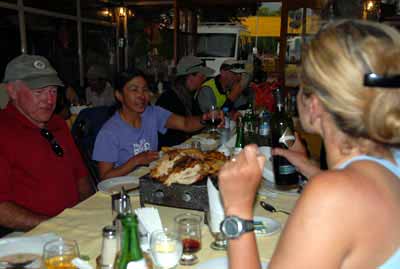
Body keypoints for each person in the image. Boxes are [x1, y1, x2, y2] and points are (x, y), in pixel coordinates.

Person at [218, 20, 400, 269]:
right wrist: (311, 169)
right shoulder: (392, 160)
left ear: (314, 105)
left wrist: (237, 208)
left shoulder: (332, 196)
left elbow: (343, 201)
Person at [0, 54, 93, 235]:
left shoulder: (58, 124)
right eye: (39, 91)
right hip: (28, 233)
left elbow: (81, 177)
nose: (49, 100)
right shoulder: (3, 131)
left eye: (53, 91)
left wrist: (88, 214)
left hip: (73, 226)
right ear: (12, 91)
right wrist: (56, 225)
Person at [92, 70, 222, 180]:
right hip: (123, 189)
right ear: (119, 95)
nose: (141, 96)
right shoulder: (109, 132)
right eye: (134, 90)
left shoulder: (151, 113)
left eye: (145, 90)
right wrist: (135, 161)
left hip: (150, 180)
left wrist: (205, 118)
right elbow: (105, 176)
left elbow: (185, 123)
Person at [156, 56, 215, 148]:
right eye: (202, 76)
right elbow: (176, 133)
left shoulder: (189, 97)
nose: (204, 80)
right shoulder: (168, 99)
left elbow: (199, 120)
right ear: (190, 77)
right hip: (170, 152)